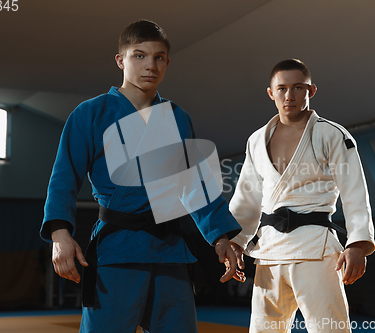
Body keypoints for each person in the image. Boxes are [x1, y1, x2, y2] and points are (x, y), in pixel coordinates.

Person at [40, 20, 244, 333]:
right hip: (116, 250)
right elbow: (64, 178)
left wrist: (220, 236)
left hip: (170, 252)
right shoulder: (90, 113)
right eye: (139, 56)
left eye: (159, 57)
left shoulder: (177, 117)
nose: (150, 65)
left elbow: (196, 184)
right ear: (121, 60)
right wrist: (59, 234)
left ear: (167, 62)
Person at [229, 59, 375, 333]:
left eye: (298, 87)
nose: (290, 95)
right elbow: (246, 198)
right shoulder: (257, 140)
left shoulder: (332, 135)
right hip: (269, 252)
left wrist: (357, 244)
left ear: (311, 90)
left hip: (316, 250)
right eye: (282, 88)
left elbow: (355, 192)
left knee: (329, 329)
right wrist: (235, 242)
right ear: (271, 93)